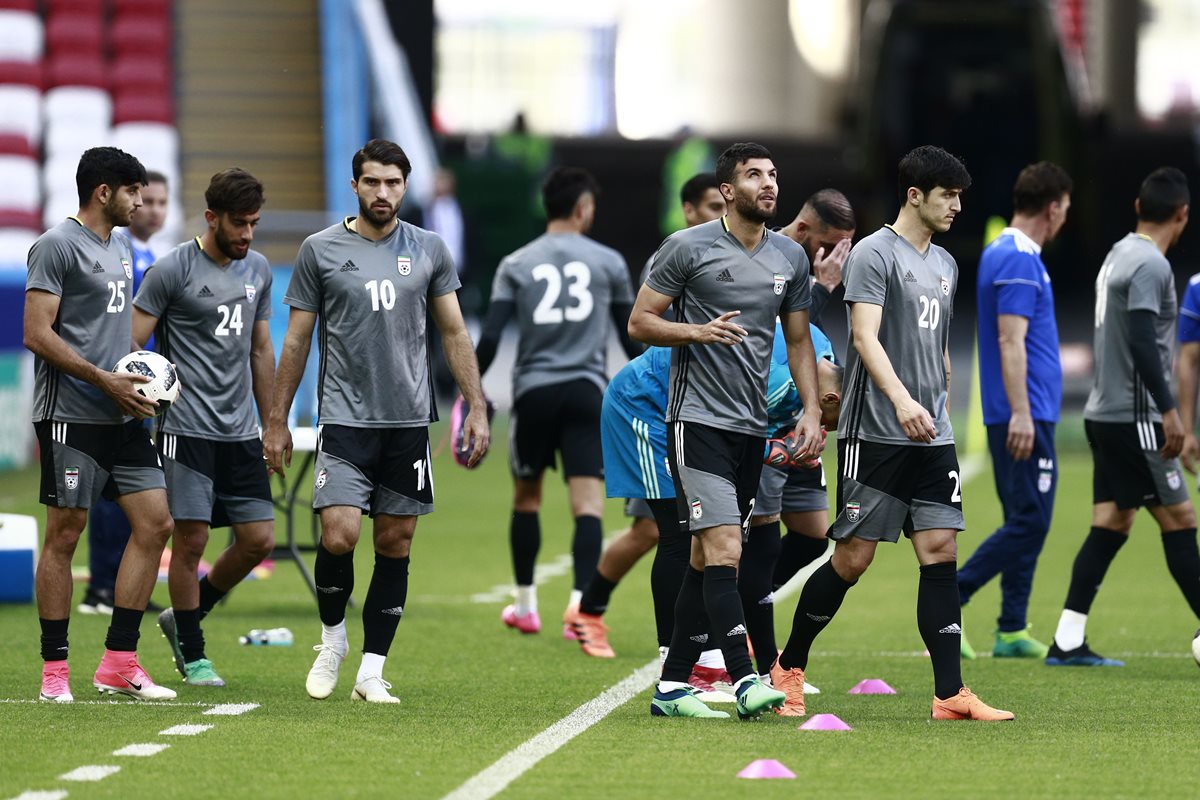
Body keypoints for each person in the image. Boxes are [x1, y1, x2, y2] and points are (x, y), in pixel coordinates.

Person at [771, 145, 1013, 721]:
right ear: (914, 195)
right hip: (876, 433)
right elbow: (864, 338)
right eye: (947, 195)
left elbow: (939, 343)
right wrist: (903, 400)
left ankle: (950, 693)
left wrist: (942, 389)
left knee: (940, 550)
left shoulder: (948, 264)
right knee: (853, 559)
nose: (957, 206)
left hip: (932, 434)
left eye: (959, 196)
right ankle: (788, 666)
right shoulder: (874, 255)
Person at [262, 139, 490, 704]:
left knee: (395, 541)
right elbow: (296, 338)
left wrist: (477, 405)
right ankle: (333, 640)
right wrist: (277, 418)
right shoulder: (319, 250)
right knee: (339, 535)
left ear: (405, 186)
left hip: (409, 421)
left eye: (392, 183)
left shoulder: (430, 249)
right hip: (343, 419)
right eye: (372, 182)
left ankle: (371, 670)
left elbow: (454, 332)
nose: (382, 192)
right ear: (355, 185)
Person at [629, 141, 823, 720]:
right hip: (695, 423)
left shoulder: (790, 258)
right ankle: (746, 679)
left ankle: (669, 688)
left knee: (701, 559)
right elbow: (641, 321)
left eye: (773, 174)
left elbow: (797, 342)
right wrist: (696, 332)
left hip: (751, 429)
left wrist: (812, 411)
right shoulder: (685, 248)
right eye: (755, 175)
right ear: (727, 190)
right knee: (726, 549)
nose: (769, 184)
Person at [24, 146, 176, 702]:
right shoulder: (56, 245)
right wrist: (101, 378)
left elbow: (115, 331)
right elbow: (37, 333)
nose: (143, 202)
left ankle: (118, 661)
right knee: (65, 535)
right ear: (104, 192)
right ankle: (54, 672)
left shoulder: (119, 247)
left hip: (123, 413)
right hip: (70, 414)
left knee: (156, 524)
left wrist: (145, 377)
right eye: (135, 191)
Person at [474, 167, 641, 638]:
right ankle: (578, 611)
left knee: (526, 499)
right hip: (588, 393)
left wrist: (473, 393)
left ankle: (526, 605)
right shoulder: (608, 261)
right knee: (587, 505)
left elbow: (488, 341)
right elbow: (630, 341)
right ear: (584, 207)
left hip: (533, 394)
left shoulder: (516, 263)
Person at [1048, 167, 1198, 667]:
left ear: (1138, 207)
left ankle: (1067, 639)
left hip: (1103, 411)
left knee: (1112, 521)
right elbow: (1140, 341)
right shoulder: (1152, 265)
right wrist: (1172, 413)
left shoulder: (1119, 253)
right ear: (1182, 214)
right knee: (1181, 517)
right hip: (1135, 416)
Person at [131, 168, 275, 688]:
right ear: (212, 218)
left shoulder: (257, 268)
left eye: (254, 224)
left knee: (258, 539)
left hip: (239, 431)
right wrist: (144, 388)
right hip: (185, 430)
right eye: (239, 224)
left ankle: (185, 615)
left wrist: (273, 422)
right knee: (190, 542)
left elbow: (261, 348)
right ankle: (194, 655)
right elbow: (131, 342)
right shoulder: (170, 271)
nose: (247, 235)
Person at [956, 162, 1073, 660]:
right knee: (1030, 519)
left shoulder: (1011, 254)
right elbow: (1010, 340)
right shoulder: (1018, 257)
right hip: (1022, 413)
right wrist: (1022, 412)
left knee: (1025, 515)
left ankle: (1010, 626)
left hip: (1028, 409)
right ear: (1052, 207)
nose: (1066, 218)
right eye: (1065, 209)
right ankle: (951, 600)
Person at [79, 170, 170, 616]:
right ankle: (102, 584)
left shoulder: (151, 254)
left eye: (159, 202)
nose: (149, 208)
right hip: (113, 387)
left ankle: (115, 587)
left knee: (137, 499)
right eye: (143, 199)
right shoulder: (114, 250)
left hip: (144, 388)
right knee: (110, 495)